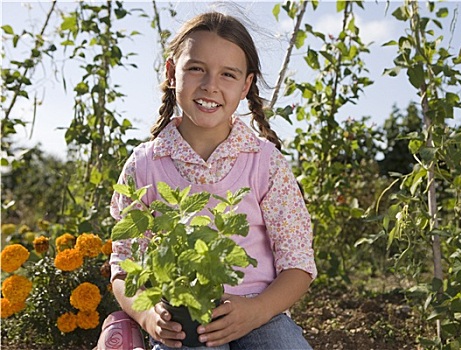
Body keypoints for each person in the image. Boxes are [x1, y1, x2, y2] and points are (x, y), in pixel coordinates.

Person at [107, 11, 316, 350]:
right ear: (173, 72)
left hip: (259, 313)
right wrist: (148, 317)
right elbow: (124, 266)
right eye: (196, 68)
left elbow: (298, 263)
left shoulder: (265, 162)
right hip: (181, 316)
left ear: (246, 85)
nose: (210, 85)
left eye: (228, 74)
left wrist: (258, 309)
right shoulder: (144, 165)